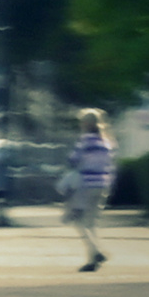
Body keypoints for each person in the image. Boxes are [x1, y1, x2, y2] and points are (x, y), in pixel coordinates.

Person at [66, 108, 115, 272]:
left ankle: (96, 252)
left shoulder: (85, 141)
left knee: (78, 220)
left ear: (86, 123)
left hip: (86, 184)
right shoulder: (106, 142)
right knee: (91, 223)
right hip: (103, 184)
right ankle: (92, 260)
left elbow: (73, 160)